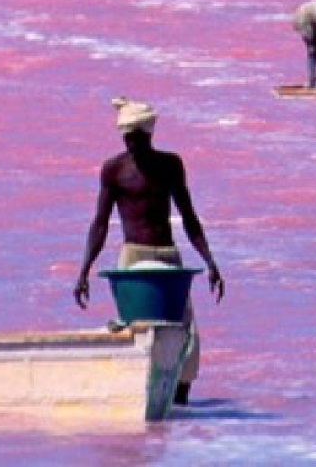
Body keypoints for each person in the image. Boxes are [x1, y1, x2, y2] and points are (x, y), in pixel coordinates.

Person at [73, 97, 225, 406]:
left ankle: (179, 409)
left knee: (185, 333)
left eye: (136, 137)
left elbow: (189, 216)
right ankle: (137, 400)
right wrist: (84, 270)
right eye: (126, 137)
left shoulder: (169, 165)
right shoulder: (114, 170)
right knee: (136, 332)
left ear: (149, 134)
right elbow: (100, 223)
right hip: (133, 257)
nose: (131, 143)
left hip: (168, 256)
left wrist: (210, 261)